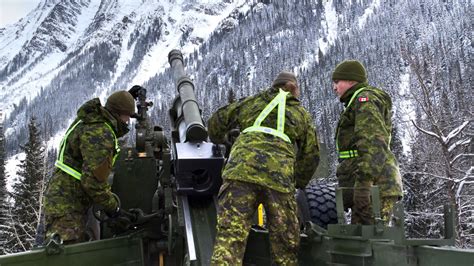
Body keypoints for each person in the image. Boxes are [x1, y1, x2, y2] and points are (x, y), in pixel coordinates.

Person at [208, 71, 320, 265]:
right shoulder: (300, 113)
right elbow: (311, 155)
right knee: (285, 243)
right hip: (279, 181)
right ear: (295, 90)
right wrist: (298, 182)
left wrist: (222, 141)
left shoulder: (252, 102)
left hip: (240, 174)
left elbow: (216, 122)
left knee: (229, 240)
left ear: (274, 86)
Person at [44, 90, 135, 244]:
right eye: (128, 116)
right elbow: (93, 182)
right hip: (68, 205)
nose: (128, 121)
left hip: (66, 199)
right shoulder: (100, 133)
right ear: (120, 114)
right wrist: (114, 208)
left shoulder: (92, 119)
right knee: (66, 256)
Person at [332, 60, 403, 225]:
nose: (334, 88)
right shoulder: (356, 102)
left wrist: (364, 185)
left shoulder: (365, 100)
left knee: (370, 242)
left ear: (351, 80)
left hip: (375, 185)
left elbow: (373, 143)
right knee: (360, 240)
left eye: (337, 82)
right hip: (370, 184)